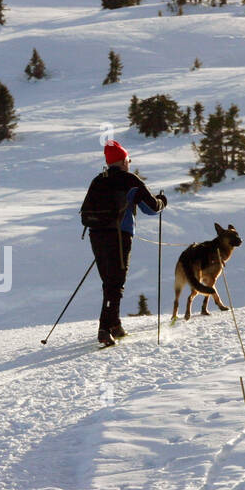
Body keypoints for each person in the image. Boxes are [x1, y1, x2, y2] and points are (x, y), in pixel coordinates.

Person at [80, 140, 167, 346]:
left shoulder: (98, 180)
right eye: (128, 159)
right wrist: (163, 200)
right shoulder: (129, 180)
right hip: (119, 235)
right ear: (122, 160)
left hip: (95, 235)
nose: (129, 162)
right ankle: (104, 329)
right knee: (115, 283)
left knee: (109, 281)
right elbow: (152, 208)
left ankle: (115, 325)